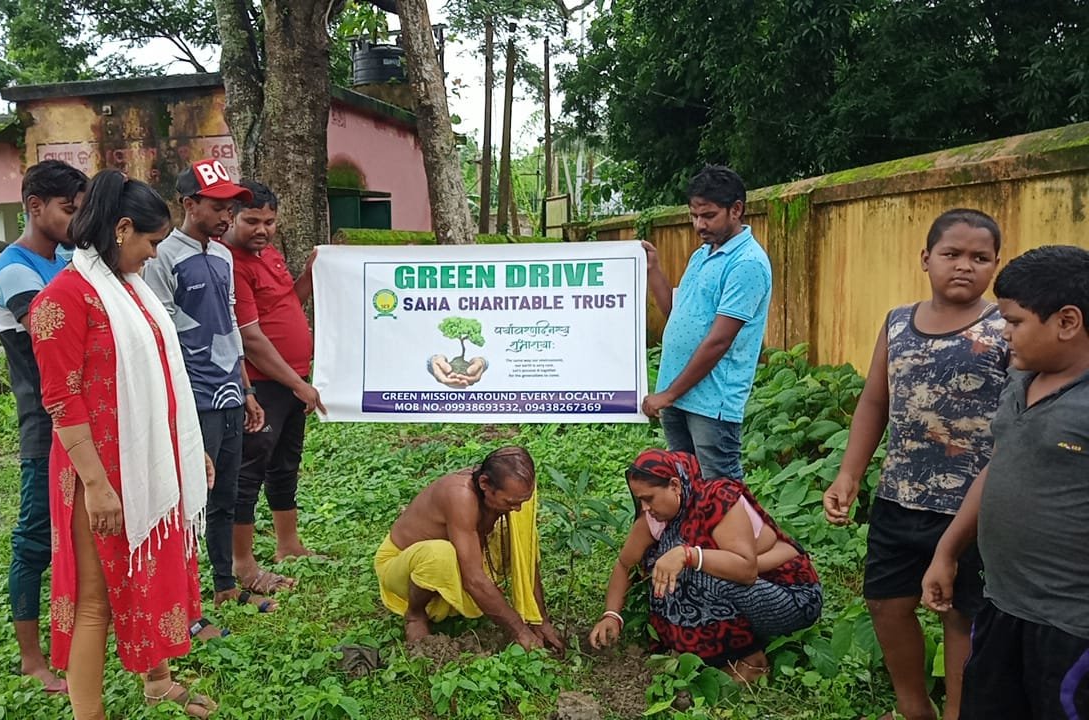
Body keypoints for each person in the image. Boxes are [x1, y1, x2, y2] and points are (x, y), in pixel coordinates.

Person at [31, 170, 217, 719]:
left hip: (146, 460)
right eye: (151, 242)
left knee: (151, 571)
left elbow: (160, 379)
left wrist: (188, 450)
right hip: (97, 470)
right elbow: (62, 401)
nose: (153, 254)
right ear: (122, 229)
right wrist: (96, 486)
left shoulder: (130, 291)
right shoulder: (62, 300)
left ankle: (159, 684)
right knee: (95, 601)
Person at [822, 209, 1007, 720]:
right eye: (952, 254)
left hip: (975, 508)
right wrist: (849, 474)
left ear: (996, 264)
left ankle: (958, 713)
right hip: (899, 496)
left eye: (980, 257)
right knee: (886, 603)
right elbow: (874, 402)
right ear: (926, 258)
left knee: (961, 616)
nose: (964, 265)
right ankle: (913, 707)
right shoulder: (898, 322)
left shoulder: (1005, 329)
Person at [922, 245, 1089, 720]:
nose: (1003, 332)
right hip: (1001, 607)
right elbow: (998, 468)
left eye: (1014, 321)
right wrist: (947, 551)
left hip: (1071, 628)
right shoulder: (1021, 382)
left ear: (1067, 322)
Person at [142, 160, 273, 617]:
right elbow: (162, 333)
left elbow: (230, 323)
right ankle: (183, 599)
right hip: (193, 398)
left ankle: (223, 585)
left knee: (226, 494)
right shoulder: (160, 257)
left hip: (229, 392)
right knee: (192, 496)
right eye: (217, 206)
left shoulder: (222, 256)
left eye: (230, 207)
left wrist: (246, 388)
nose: (225, 216)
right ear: (189, 204)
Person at [0, 159, 87, 695]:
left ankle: (86, 633)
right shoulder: (13, 270)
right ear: (34, 206)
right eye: (69, 210)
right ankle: (31, 659)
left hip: (82, 419)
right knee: (34, 541)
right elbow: (53, 331)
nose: (77, 221)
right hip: (45, 427)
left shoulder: (66, 259)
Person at [589, 449, 821, 682]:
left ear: (675, 485)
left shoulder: (718, 500)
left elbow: (747, 570)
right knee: (670, 569)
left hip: (789, 597)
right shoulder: (656, 518)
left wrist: (689, 555)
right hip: (747, 590)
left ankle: (750, 659)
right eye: (640, 499)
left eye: (649, 498)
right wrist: (612, 615)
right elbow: (625, 565)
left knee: (695, 571)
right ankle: (700, 650)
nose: (645, 507)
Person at [224, 180, 327, 595]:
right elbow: (250, 339)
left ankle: (289, 545)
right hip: (262, 385)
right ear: (231, 217)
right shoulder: (231, 265)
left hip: (291, 380)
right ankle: (242, 562)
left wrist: (310, 274)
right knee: (249, 471)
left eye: (269, 221)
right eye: (252, 221)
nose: (262, 229)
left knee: (286, 464)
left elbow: (287, 304)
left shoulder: (268, 255)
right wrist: (298, 384)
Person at [640, 165, 771, 482]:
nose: (700, 225)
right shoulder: (702, 255)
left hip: (711, 404)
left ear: (736, 209)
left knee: (722, 492)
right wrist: (653, 269)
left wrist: (668, 395)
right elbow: (676, 313)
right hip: (678, 395)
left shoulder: (747, 263)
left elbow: (719, 341)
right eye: (694, 216)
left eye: (709, 216)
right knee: (685, 487)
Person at [373, 446, 564, 651]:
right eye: (511, 502)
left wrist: (540, 619)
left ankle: (481, 598)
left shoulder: (517, 491)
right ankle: (415, 614)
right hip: (401, 567)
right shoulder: (460, 496)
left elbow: (525, 554)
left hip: (463, 557)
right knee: (439, 555)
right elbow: (473, 578)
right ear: (484, 484)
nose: (518, 509)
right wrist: (520, 631)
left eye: (523, 501)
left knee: (516, 534)